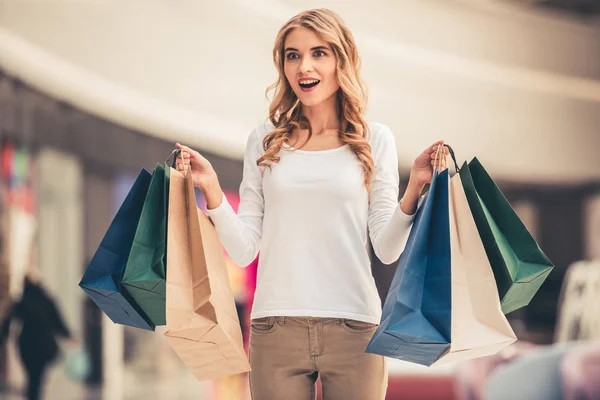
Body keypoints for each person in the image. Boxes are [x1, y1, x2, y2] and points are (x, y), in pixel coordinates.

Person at [175, 8, 448, 400]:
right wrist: (211, 189)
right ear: (283, 65)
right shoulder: (264, 140)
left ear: (341, 59)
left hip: (356, 328)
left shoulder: (376, 139)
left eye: (319, 53)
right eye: (292, 55)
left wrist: (415, 188)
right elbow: (244, 248)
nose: (304, 65)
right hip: (275, 327)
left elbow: (387, 249)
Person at [1, 271, 76, 400]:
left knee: (31, 375)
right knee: (38, 375)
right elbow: (58, 321)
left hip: (26, 345)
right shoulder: (47, 300)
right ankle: (35, 394)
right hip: (44, 345)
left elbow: (8, 322)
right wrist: (69, 335)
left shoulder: (21, 301)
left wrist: (2, 338)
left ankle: (32, 394)